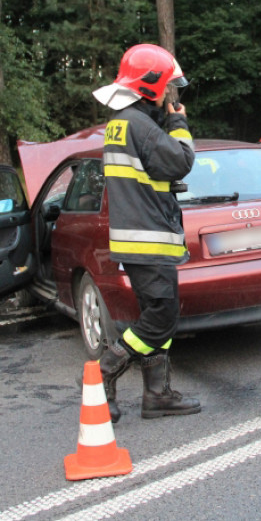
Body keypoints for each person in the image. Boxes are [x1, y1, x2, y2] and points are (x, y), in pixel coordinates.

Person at [92, 43, 201, 422]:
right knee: (161, 317)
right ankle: (104, 371)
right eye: (168, 86)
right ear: (151, 85)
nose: (171, 94)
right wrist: (179, 125)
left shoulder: (122, 123)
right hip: (148, 237)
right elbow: (181, 161)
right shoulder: (139, 125)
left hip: (139, 237)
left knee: (159, 314)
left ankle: (157, 395)